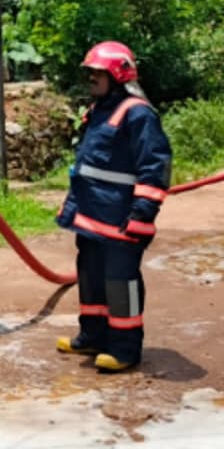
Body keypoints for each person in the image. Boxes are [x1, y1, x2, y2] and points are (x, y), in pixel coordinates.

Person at [55, 41, 171, 372]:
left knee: (121, 284)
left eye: (97, 73)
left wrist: (142, 213)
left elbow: (155, 166)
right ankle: (92, 336)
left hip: (121, 221)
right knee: (91, 280)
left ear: (118, 74)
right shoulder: (100, 110)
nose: (90, 79)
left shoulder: (137, 114)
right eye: (88, 73)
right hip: (92, 220)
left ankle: (124, 348)